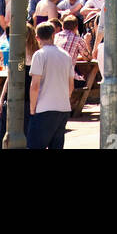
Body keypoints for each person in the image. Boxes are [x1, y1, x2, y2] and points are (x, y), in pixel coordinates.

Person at [28, 21, 75, 150]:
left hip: (44, 108)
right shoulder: (66, 55)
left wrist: (32, 108)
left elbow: (35, 85)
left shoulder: (39, 55)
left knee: (34, 145)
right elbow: (71, 85)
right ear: (53, 35)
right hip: (63, 107)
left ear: (37, 37)